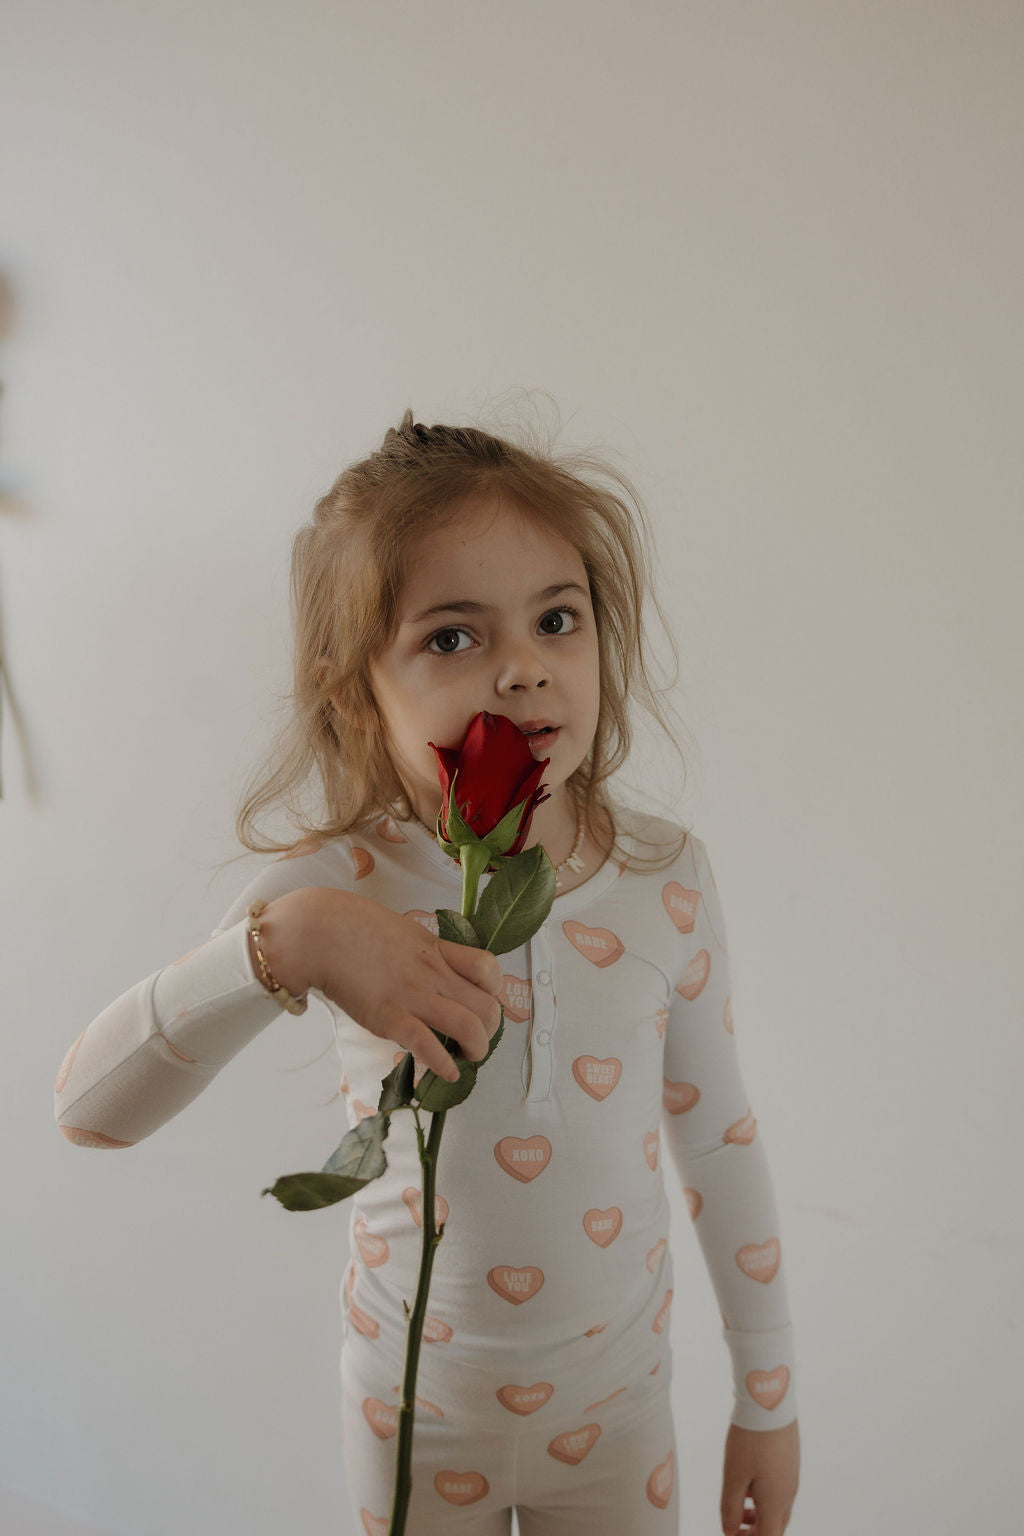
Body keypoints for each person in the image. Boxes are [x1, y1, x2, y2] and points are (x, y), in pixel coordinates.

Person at [54, 409, 800, 1535]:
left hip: (619, 1422)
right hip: (413, 1424)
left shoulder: (665, 879)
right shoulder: (335, 884)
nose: (522, 670)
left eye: (558, 620)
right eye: (452, 637)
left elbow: (717, 1135)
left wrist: (768, 1395)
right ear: (357, 690)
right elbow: (88, 1112)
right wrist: (288, 944)